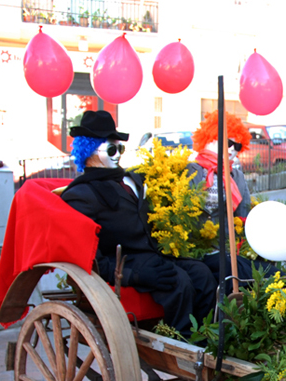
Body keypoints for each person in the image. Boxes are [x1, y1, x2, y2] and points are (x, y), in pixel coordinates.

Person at [60, 110, 216, 337]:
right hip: (126, 262)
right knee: (178, 282)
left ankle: (207, 338)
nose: (117, 155)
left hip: (152, 254)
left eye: (120, 149)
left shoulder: (128, 180)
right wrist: (132, 275)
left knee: (202, 274)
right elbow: (88, 255)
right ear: (89, 151)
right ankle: (184, 345)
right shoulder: (80, 194)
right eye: (111, 149)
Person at [186, 111, 263, 283]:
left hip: (227, 251)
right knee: (230, 272)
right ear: (210, 138)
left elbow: (244, 217)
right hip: (195, 251)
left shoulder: (237, 177)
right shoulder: (189, 172)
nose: (231, 150)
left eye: (237, 146)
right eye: (228, 142)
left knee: (268, 270)